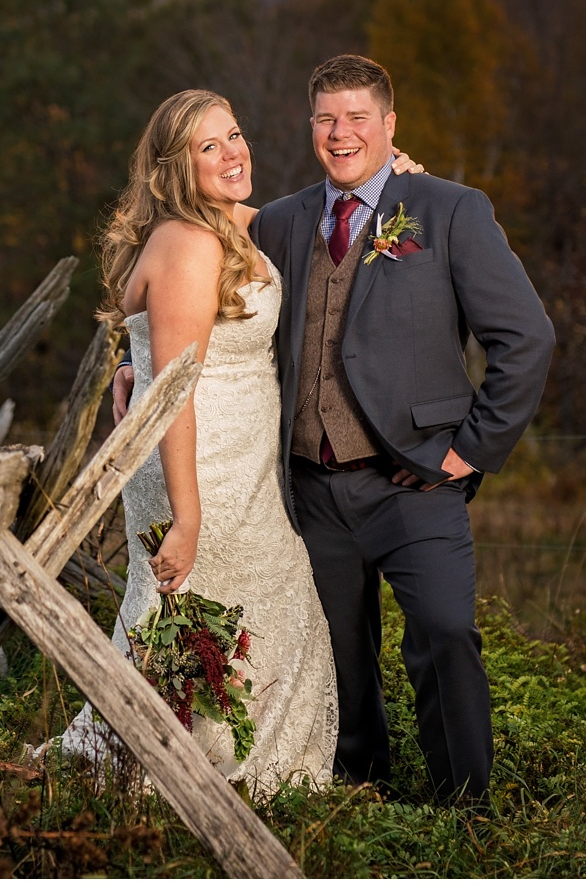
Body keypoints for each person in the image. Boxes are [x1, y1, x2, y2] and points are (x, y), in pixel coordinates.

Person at [117, 56, 554, 803]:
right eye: (326, 118)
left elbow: (527, 338)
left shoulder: (446, 209)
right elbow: (174, 287)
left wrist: (468, 451)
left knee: (445, 633)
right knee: (336, 651)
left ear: (390, 124)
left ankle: (467, 805)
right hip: (307, 486)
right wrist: (134, 372)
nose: (341, 132)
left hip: (415, 479)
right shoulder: (282, 221)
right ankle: (354, 788)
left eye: (359, 117)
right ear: (310, 127)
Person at [55, 89, 420, 798]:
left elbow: (325, 213)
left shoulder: (230, 224)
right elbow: (178, 389)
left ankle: (207, 763)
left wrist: (388, 174)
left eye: (235, 135)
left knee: (254, 602)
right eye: (208, 146)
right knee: (213, 603)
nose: (233, 153)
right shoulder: (190, 243)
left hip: (245, 463)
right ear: (174, 166)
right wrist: (187, 519)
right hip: (197, 463)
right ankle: (188, 771)